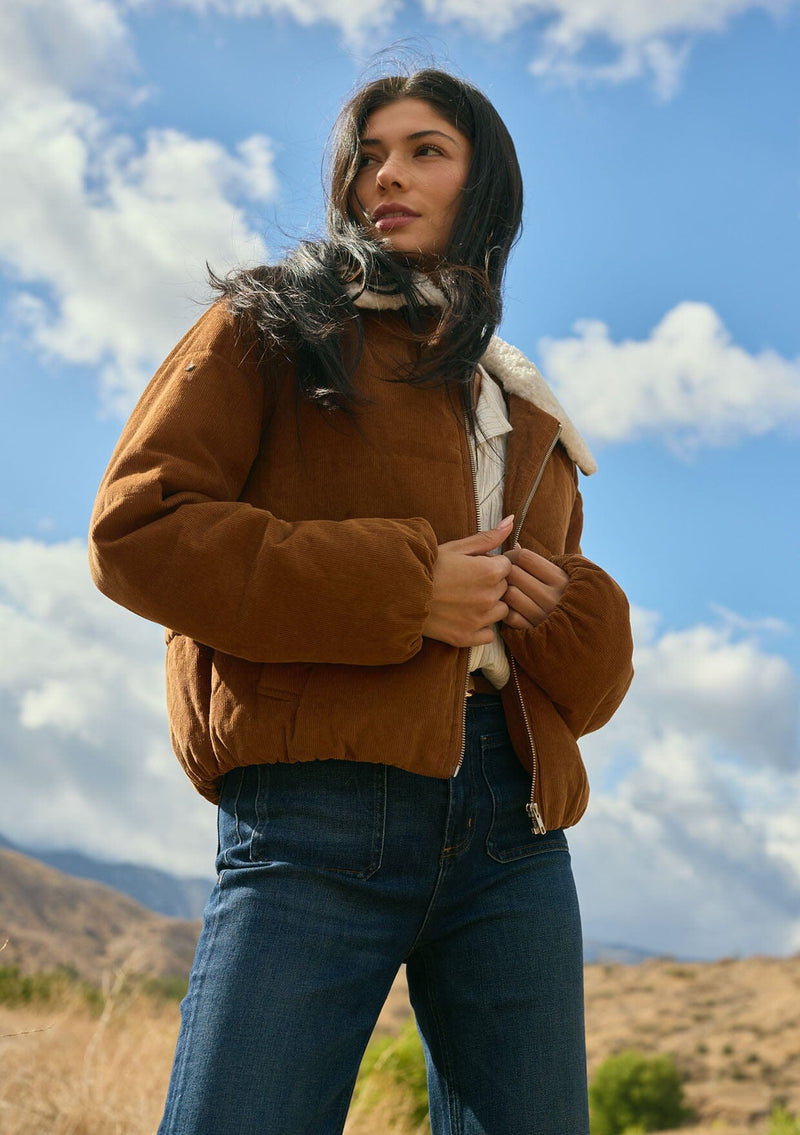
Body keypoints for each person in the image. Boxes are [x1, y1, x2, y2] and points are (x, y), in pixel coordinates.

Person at [89, 68, 633, 1135]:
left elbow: (588, 688)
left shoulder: (522, 407)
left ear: (485, 184)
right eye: (368, 154)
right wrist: (401, 587)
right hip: (313, 814)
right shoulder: (268, 326)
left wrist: (563, 608)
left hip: (514, 831)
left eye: (425, 149)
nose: (386, 174)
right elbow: (135, 534)